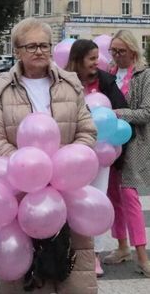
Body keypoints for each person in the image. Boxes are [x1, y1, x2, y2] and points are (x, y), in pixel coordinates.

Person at [0, 18, 97, 293]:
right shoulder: (1, 88)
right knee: (26, 278)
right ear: (17, 51)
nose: (39, 51)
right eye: (31, 45)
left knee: (73, 275)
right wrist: (29, 170)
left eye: (44, 45)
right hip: (20, 197)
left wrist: (68, 163)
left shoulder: (70, 84)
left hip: (67, 191)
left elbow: (87, 130)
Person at [65, 39, 128, 277]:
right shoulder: (63, 81)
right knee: (72, 203)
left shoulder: (106, 81)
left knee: (98, 201)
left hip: (101, 153)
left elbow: (122, 110)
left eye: (97, 57)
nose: (97, 62)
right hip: (72, 153)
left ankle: (95, 256)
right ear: (78, 59)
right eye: (91, 58)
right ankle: (72, 252)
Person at [103, 29, 150, 277]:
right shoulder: (108, 73)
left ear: (133, 51)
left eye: (121, 51)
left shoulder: (144, 75)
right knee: (113, 195)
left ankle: (142, 255)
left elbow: (146, 112)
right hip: (109, 144)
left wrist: (116, 114)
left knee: (129, 196)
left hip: (134, 143)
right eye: (113, 51)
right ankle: (121, 246)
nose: (116, 55)